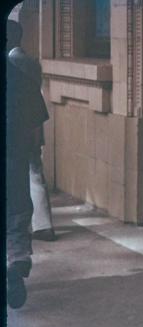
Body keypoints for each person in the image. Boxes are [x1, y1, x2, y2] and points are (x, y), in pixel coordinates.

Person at [7, 20, 56, 242]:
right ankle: (43, 224)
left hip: (19, 129)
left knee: (23, 174)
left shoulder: (12, 62)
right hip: (33, 125)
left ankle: (33, 223)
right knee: (36, 173)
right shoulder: (31, 61)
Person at [6, 59, 50, 309]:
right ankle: (17, 260)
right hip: (14, 162)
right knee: (17, 215)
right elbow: (35, 133)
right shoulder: (24, 80)